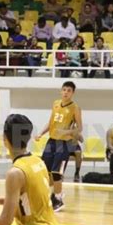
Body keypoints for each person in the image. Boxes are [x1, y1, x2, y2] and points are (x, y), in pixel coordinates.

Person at [35, 81, 82, 212]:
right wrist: (40, 133)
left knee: (57, 173)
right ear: (61, 91)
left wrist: (66, 132)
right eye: (64, 90)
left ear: (73, 93)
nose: (66, 92)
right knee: (45, 170)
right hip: (51, 142)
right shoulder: (56, 103)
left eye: (69, 90)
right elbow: (51, 123)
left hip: (64, 144)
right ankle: (51, 195)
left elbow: (80, 128)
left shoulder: (75, 108)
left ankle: (58, 199)